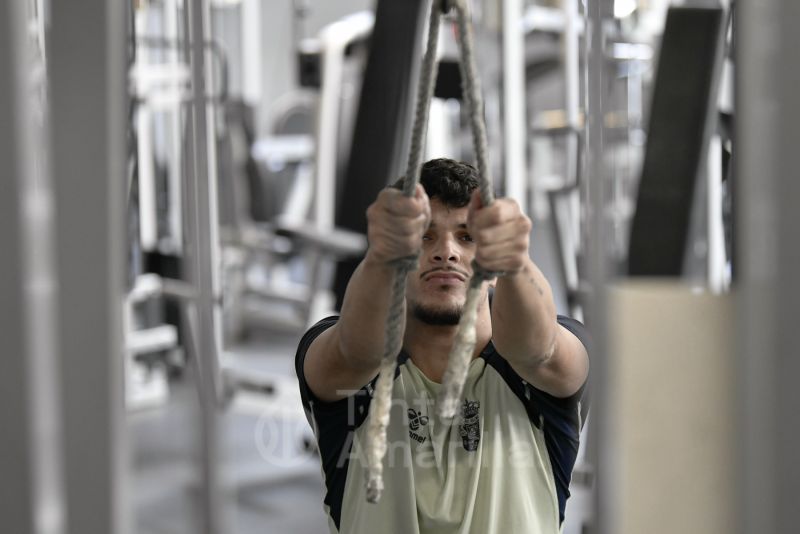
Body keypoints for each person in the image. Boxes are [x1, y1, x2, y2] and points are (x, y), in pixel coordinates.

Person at [296, 158, 590, 534]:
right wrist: (380, 256)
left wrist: (515, 259)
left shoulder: (548, 360)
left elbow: (539, 351)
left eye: (467, 237)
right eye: (424, 237)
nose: (446, 251)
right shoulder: (344, 354)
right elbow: (357, 351)